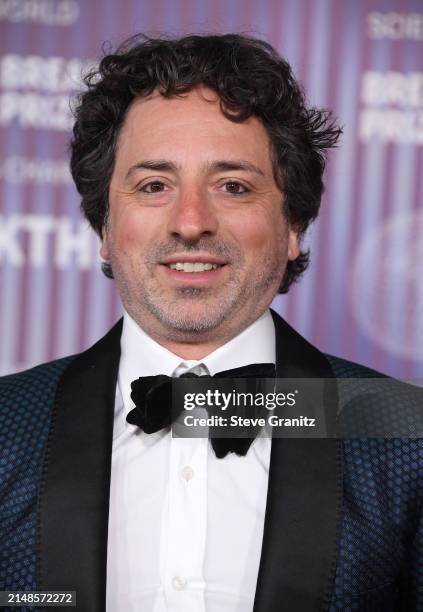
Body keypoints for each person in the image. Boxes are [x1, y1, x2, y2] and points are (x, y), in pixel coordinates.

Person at [0, 33, 422, 612]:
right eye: (154, 185)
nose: (191, 221)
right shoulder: (5, 427)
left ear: (293, 225)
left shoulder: (406, 438)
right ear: (104, 226)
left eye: (233, 186)